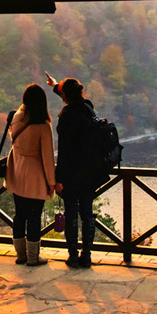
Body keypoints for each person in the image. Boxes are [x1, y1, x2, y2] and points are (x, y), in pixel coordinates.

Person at [46, 74, 108, 268]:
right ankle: (87, 254)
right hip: (90, 172)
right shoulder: (88, 109)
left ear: (65, 96)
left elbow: (64, 151)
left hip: (72, 174)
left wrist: (58, 178)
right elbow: (73, 97)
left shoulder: (66, 117)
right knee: (87, 214)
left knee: (71, 214)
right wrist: (56, 85)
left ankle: (73, 255)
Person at [4, 83, 56, 266]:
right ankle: (33, 257)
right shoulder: (43, 126)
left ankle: (21, 255)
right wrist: (52, 182)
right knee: (34, 217)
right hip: (35, 176)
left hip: (16, 171)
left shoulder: (16, 118)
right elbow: (48, 158)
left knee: (19, 215)